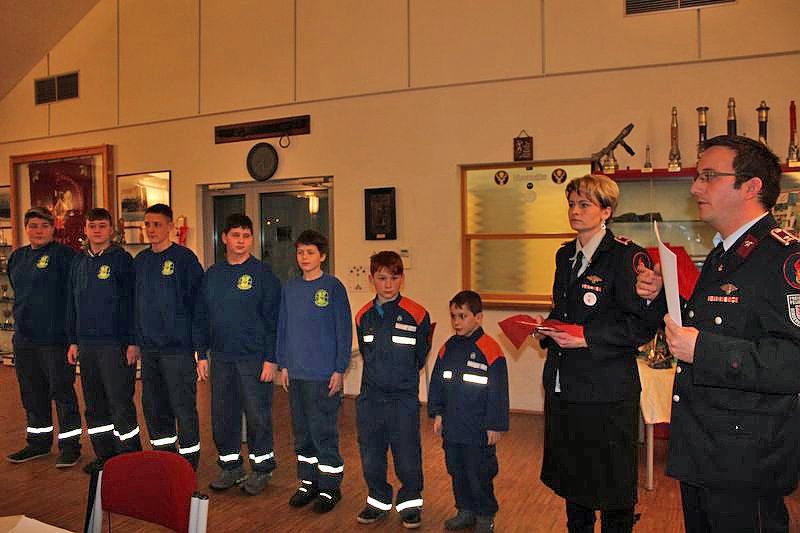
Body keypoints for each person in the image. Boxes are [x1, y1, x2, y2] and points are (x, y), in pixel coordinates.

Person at [636, 135, 800, 532]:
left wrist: (703, 349)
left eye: (708, 176)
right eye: (697, 176)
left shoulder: (784, 259)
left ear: (751, 187)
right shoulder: (724, 255)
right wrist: (663, 298)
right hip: (706, 449)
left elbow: (792, 362)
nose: (695, 187)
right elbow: (709, 329)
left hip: (745, 460)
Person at [535, 174, 659, 533]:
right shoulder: (564, 255)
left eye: (584, 204)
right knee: (574, 479)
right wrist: (546, 326)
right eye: (572, 203)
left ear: (606, 211)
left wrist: (588, 336)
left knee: (613, 484)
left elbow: (641, 325)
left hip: (606, 390)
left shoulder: (626, 256)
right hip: (565, 384)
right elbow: (566, 310)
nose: (575, 211)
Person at [193, 213, 281, 496]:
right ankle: (231, 466)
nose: (241, 241)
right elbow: (201, 317)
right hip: (221, 357)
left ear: (252, 239)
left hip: (254, 358)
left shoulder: (264, 275)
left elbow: (273, 320)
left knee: (257, 416)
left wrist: (271, 358)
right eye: (235, 235)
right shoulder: (213, 275)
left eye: (246, 236)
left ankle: (261, 468)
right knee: (222, 415)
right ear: (224, 239)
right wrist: (202, 354)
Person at [354, 251, 432, 529]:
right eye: (382, 278)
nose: (388, 284)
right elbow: (366, 352)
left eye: (394, 278)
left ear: (402, 279)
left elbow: (420, 354)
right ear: (371, 279)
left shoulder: (418, 314)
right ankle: (377, 501)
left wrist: (401, 380)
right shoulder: (362, 315)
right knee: (371, 453)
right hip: (370, 397)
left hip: (403, 397)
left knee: (407, 453)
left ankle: (410, 504)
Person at [277, 229, 352, 514]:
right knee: (302, 432)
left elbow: (343, 330)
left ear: (322, 256)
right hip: (296, 372)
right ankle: (308, 482)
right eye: (300, 252)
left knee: (323, 432)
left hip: (323, 375)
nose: (304, 257)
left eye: (310, 252)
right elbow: (283, 328)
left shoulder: (333, 287)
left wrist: (339, 368)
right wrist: (283, 363)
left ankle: (330, 486)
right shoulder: (290, 288)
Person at [5, 207, 82, 468]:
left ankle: (70, 446)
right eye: (33, 226)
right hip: (25, 340)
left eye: (43, 226)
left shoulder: (65, 256)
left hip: (55, 340)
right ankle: (37, 442)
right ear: (26, 228)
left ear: (53, 229)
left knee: (62, 393)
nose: (38, 231)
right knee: (32, 394)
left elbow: (74, 296)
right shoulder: (17, 257)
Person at [66, 208, 141, 474]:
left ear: (111, 230)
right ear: (85, 230)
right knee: (94, 403)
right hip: (86, 344)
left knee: (119, 401)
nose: (97, 230)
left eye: (102, 226)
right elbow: (71, 304)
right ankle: (105, 454)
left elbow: (132, 303)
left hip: (115, 344)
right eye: (92, 226)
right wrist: (73, 341)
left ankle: (130, 456)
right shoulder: (78, 262)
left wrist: (133, 342)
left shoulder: (122, 260)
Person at [428, 290, 508, 533]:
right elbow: (438, 383)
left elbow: (498, 391)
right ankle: (465, 510)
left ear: (479, 317)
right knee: (457, 470)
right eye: (453, 316)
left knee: (479, 473)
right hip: (453, 429)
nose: (456, 322)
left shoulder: (490, 349)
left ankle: (485, 514)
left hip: (478, 430)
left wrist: (495, 424)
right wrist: (438, 412)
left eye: (462, 316)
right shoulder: (447, 348)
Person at [134, 204, 203, 469]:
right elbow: (134, 303)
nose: (151, 230)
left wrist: (197, 345)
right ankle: (164, 456)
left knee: (183, 406)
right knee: (154, 406)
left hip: (178, 349)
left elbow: (198, 303)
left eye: (157, 225)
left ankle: (188, 460)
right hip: (149, 349)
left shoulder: (185, 259)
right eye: (148, 224)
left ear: (170, 227)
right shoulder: (140, 261)